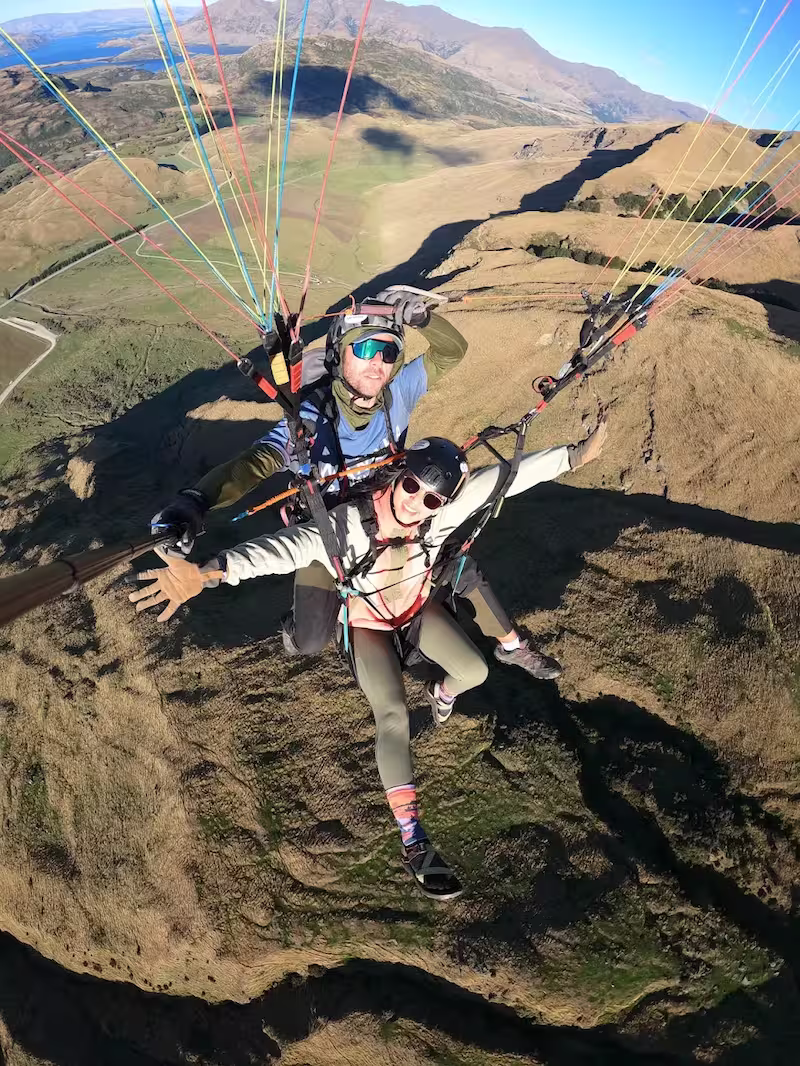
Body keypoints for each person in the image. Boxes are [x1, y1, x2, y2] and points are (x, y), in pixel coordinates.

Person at [131, 422, 608, 899]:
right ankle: (414, 841)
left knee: (475, 670)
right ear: (399, 474)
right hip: (370, 626)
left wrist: (575, 455)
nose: (415, 502)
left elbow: (503, 478)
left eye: (431, 500)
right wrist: (213, 572)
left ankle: (441, 693)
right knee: (393, 715)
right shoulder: (347, 526)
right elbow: (283, 549)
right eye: (411, 485)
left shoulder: (436, 518)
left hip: (416, 612)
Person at [151, 287, 563, 679]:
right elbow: (255, 464)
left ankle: (501, 647)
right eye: (365, 348)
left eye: (389, 352)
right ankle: (306, 624)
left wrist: (422, 319)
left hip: (393, 515)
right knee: (311, 639)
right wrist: (197, 500)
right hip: (331, 535)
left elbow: (452, 351)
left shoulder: (396, 393)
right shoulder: (310, 420)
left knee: (459, 566)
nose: (377, 362)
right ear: (339, 354)